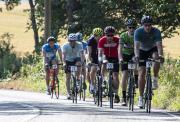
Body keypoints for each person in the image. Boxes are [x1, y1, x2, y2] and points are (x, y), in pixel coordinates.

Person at [134, 16, 164, 108]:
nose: (147, 27)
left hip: (152, 49)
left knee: (156, 57)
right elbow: (136, 47)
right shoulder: (138, 31)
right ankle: (141, 97)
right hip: (142, 50)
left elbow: (159, 46)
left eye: (149, 25)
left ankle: (155, 78)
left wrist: (161, 56)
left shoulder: (156, 31)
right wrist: (137, 56)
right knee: (142, 73)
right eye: (146, 25)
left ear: (152, 25)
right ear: (143, 25)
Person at [98, 26, 120, 103]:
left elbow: (120, 50)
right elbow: (100, 52)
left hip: (115, 57)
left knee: (115, 76)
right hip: (106, 57)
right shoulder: (102, 40)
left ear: (114, 35)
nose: (110, 37)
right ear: (105, 34)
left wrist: (120, 59)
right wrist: (100, 59)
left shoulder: (117, 40)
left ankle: (116, 93)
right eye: (108, 35)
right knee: (104, 63)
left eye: (111, 35)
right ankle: (103, 80)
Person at [119, 19, 138, 106]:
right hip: (125, 55)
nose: (131, 29)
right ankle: (123, 97)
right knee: (125, 74)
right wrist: (120, 58)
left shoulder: (137, 35)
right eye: (130, 27)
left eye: (133, 27)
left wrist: (136, 56)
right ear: (127, 28)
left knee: (136, 63)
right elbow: (119, 49)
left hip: (134, 53)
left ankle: (136, 79)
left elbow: (140, 47)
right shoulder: (123, 35)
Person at [62, 33, 84, 100]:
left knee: (79, 63)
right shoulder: (65, 46)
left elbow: (81, 54)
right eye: (71, 41)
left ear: (76, 41)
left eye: (74, 41)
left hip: (76, 59)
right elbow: (64, 56)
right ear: (69, 41)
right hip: (68, 60)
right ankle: (68, 93)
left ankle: (77, 79)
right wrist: (64, 63)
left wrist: (82, 62)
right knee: (68, 77)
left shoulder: (79, 45)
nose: (72, 42)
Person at [87, 28, 103, 93]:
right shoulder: (91, 40)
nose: (98, 37)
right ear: (94, 35)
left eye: (99, 35)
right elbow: (89, 52)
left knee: (102, 69)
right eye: (96, 35)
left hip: (100, 56)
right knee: (92, 69)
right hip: (93, 56)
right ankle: (92, 84)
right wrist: (90, 60)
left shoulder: (103, 40)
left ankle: (102, 84)